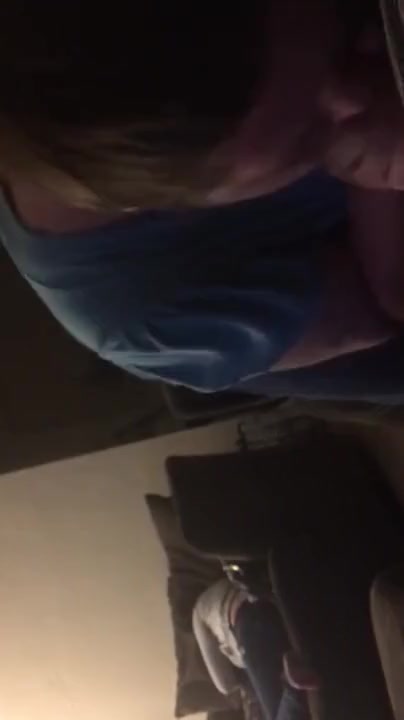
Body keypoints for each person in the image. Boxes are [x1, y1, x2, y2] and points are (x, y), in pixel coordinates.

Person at [1, 2, 404, 399]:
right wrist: (382, 167)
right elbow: (386, 302)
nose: (353, 96)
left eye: (339, 45)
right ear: (179, 210)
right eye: (309, 139)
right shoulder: (145, 309)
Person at [192, 578, 316, 720]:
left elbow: (225, 684)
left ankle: (293, 687)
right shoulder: (234, 578)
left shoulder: (198, 612)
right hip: (276, 604)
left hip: (250, 626)